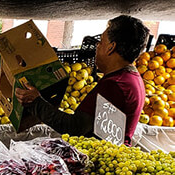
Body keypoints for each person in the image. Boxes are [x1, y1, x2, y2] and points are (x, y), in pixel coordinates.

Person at [16, 15, 149, 145]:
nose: (97, 47)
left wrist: (36, 102)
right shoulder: (130, 78)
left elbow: (74, 127)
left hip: (101, 160)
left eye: (101, 42)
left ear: (110, 47)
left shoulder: (115, 85)